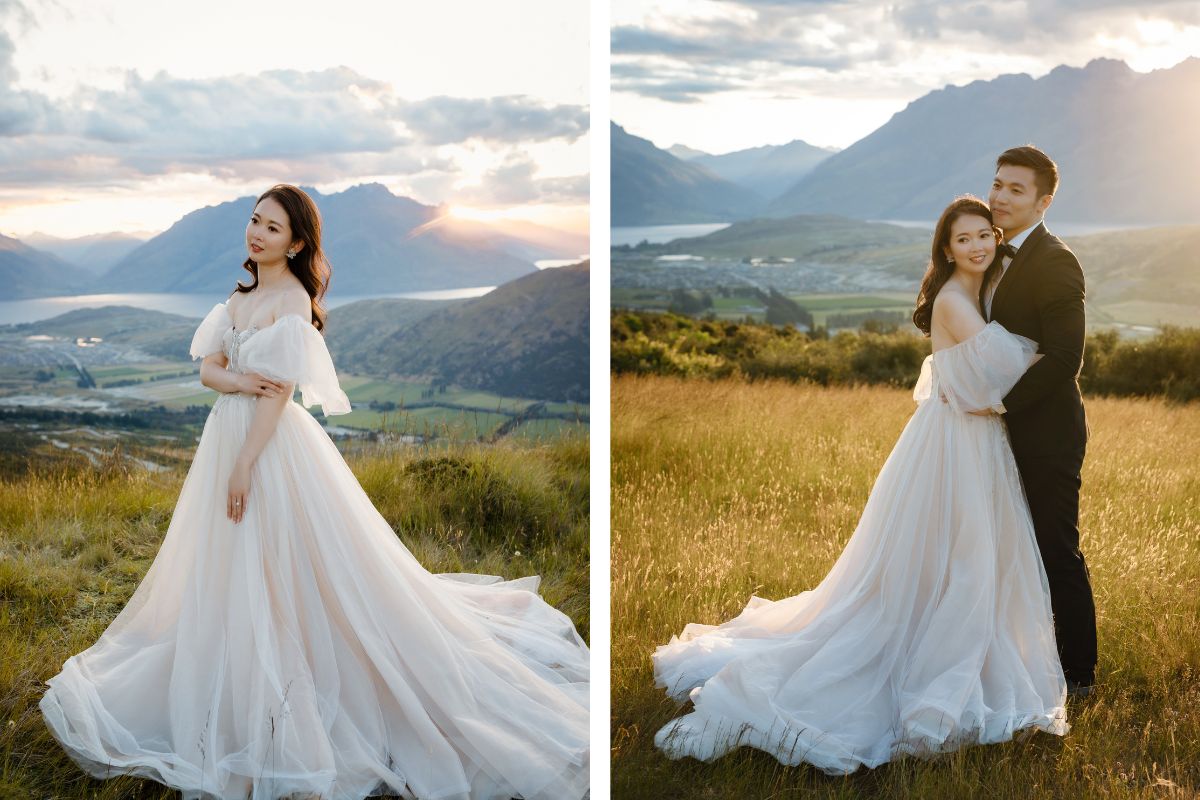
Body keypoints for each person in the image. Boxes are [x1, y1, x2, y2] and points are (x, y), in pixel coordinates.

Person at [39, 185, 590, 800]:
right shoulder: (241, 295)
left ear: (297, 243)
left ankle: (287, 669)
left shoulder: (294, 302)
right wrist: (240, 381)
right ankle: (235, 656)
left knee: (283, 560)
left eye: (272, 228)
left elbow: (280, 399)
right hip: (229, 432)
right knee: (228, 558)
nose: (257, 234)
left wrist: (246, 461)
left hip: (267, 448)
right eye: (254, 221)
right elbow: (208, 368)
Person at [651, 196, 1068, 774]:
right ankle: (930, 657)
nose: (977, 246)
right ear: (946, 250)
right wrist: (1051, 349)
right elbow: (1003, 362)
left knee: (967, 555)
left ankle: (957, 644)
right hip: (956, 443)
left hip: (969, 437)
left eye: (984, 235)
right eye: (964, 239)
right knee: (962, 555)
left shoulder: (976, 292)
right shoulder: (954, 299)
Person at [985, 145, 1097, 696]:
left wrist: (1000, 403)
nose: (1000, 196)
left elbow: (1064, 357)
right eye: (998, 184)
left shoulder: (1055, 261)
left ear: (1043, 201)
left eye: (1016, 189)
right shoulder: (991, 249)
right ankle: (1016, 658)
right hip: (994, 434)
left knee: (1055, 547)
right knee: (1002, 548)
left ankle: (1079, 675)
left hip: (1046, 433)